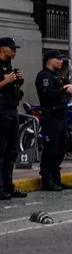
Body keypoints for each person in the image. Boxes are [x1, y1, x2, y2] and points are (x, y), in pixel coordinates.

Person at [35, 50, 72, 192]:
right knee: (50, 149)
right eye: (59, 59)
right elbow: (49, 93)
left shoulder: (57, 76)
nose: (61, 61)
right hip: (51, 117)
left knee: (60, 149)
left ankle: (56, 178)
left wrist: (70, 88)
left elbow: (66, 89)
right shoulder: (44, 76)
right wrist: (64, 90)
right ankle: (47, 179)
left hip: (61, 115)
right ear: (51, 60)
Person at [0, 37, 26, 200]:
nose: (14, 51)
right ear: (2, 49)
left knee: (12, 152)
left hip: (12, 110)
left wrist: (17, 82)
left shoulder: (9, 67)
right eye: (12, 48)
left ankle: (9, 186)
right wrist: (6, 81)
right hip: (1, 112)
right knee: (1, 152)